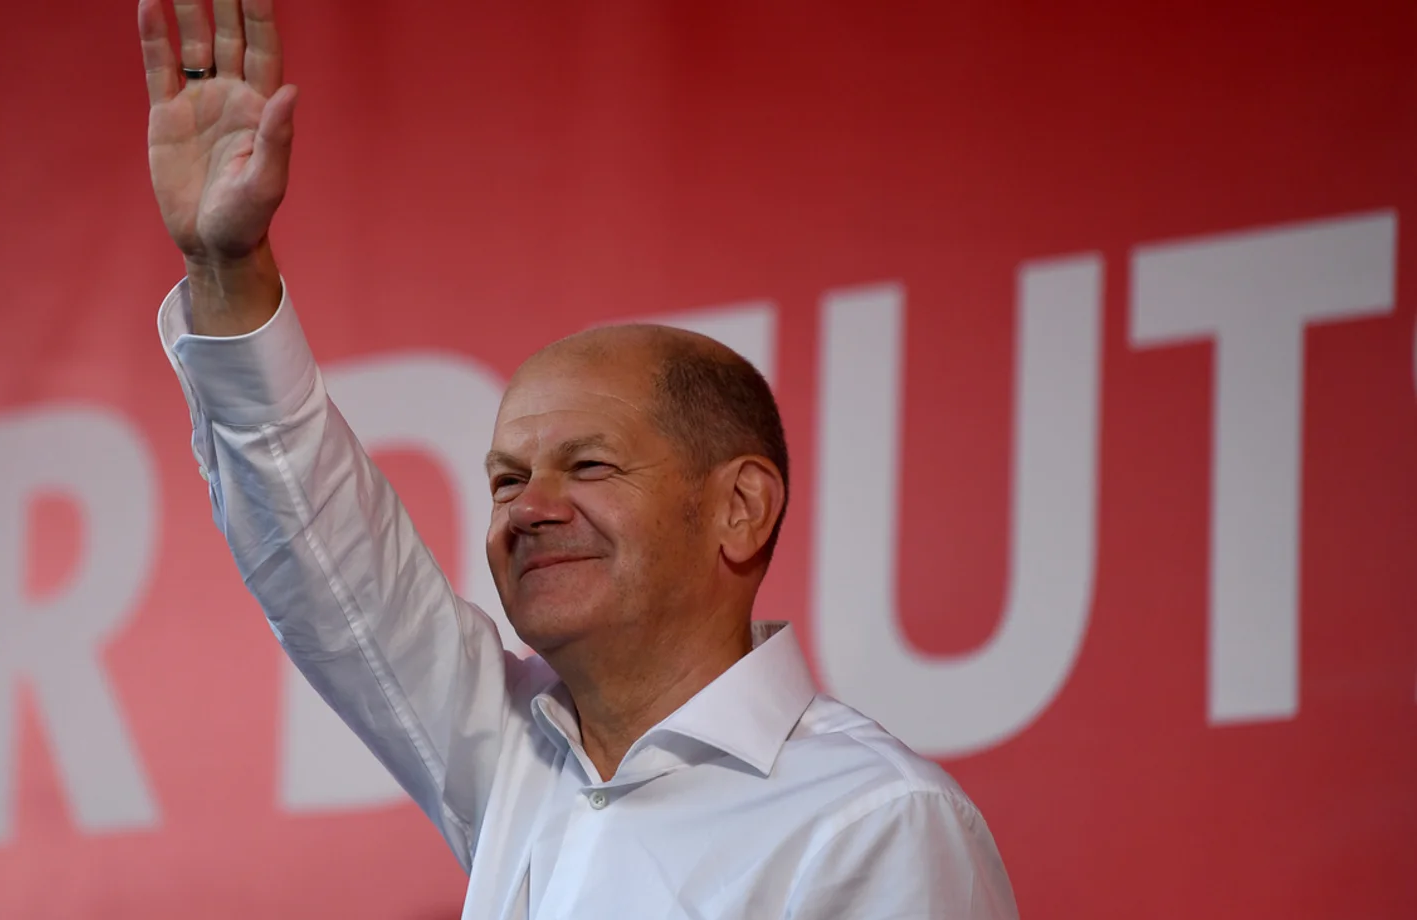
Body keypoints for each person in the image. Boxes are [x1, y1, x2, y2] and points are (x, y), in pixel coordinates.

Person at [138, 1, 1020, 917]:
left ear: (740, 508)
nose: (529, 509)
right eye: (506, 480)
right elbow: (329, 561)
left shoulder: (873, 820)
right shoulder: (516, 756)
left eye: (590, 467)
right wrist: (227, 268)